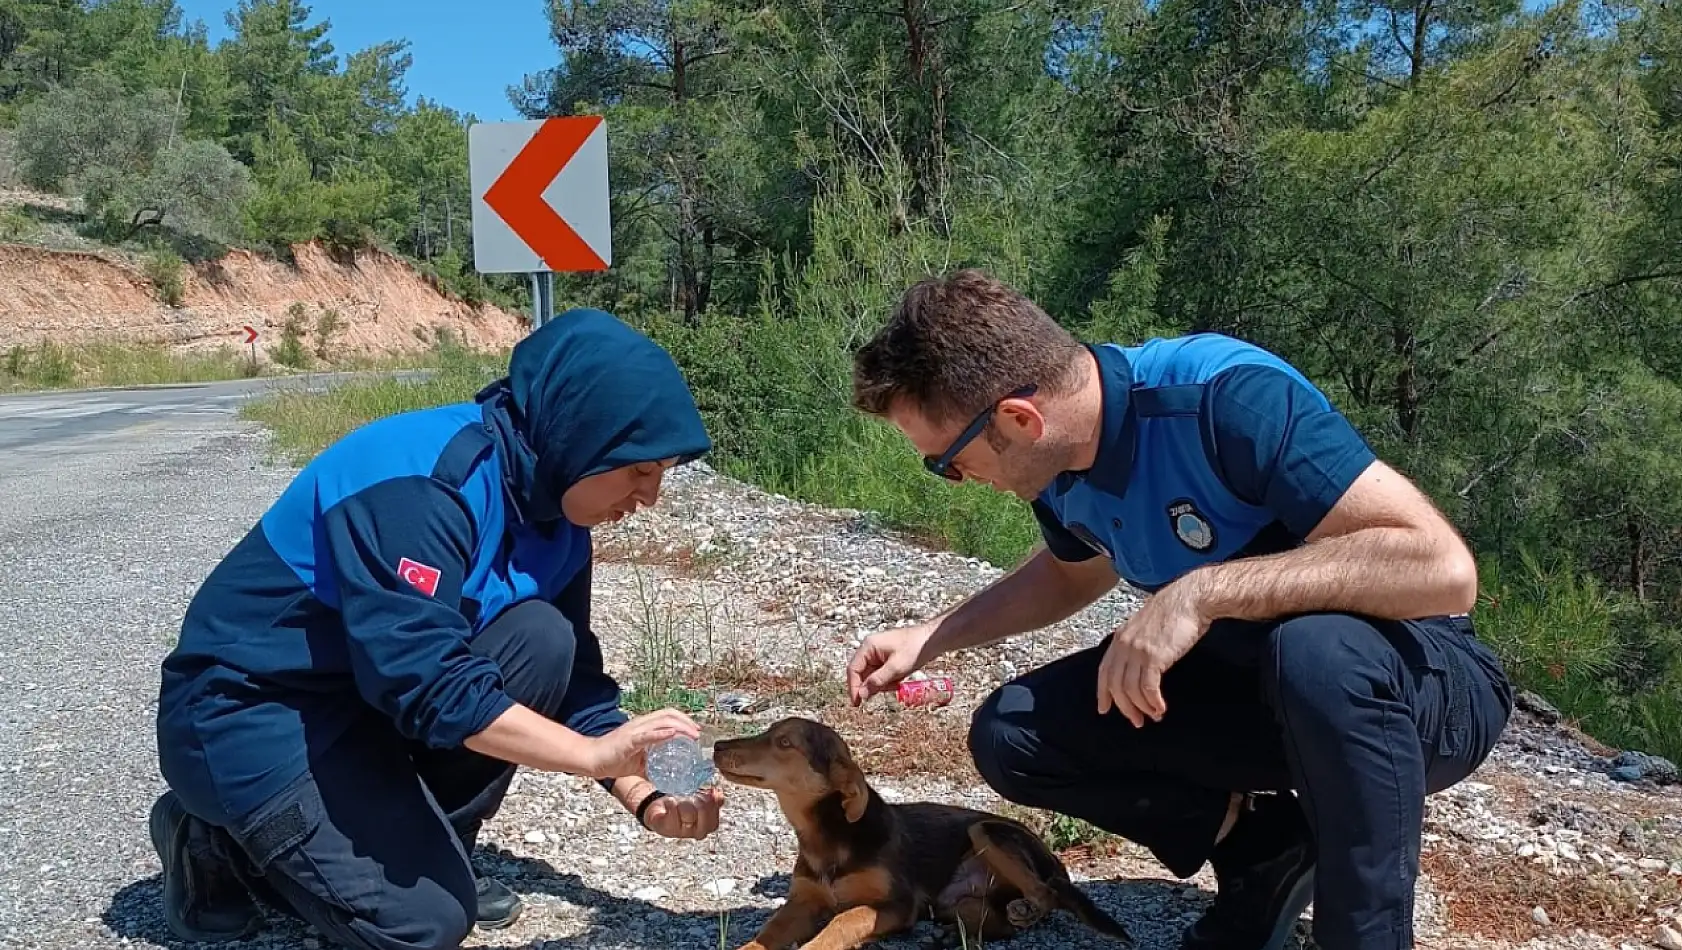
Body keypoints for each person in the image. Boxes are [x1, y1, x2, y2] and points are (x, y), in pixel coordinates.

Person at [844, 270, 1514, 950]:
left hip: (1419, 688)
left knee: (1316, 653)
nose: (956, 482)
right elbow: (1069, 574)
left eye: (946, 463)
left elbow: (1443, 568)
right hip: (1268, 696)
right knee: (1015, 734)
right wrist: (931, 636)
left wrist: (1202, 592)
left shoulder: (1221, 400)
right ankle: (1268, 855)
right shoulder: (1057, 465)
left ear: (1019, 419)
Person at [151, 308, 728, 950]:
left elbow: (576, 688)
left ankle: (433, 853)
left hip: (365, 699)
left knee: (542, 638)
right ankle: (214, 840)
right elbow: (428, 684)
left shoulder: (559, 513)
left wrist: (643, 794)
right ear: (579, 436)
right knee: (420, 925)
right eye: (639, 471)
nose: (649, 497)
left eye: (662, 474)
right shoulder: (419, 484)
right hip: (249, 710)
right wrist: (590, 757)